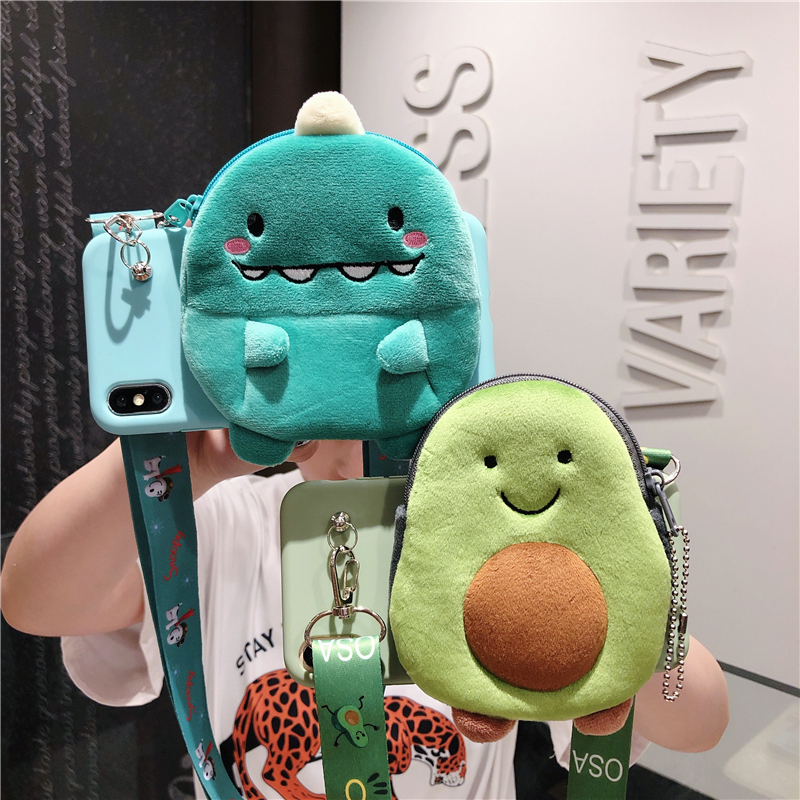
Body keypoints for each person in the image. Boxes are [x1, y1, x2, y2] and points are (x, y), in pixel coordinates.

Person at [1, 430, 729, 800]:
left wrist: (589, 565)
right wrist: (190, 453)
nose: (356, 452)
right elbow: (35, 599)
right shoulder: (225, 522)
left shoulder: (493, 552)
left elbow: (696, 720)